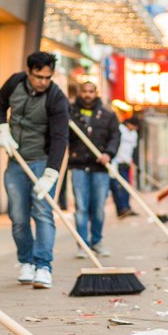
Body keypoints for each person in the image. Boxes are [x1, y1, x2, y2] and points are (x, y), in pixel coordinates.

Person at [0, 52, 69, 288]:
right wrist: (2, 128)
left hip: (42, 161)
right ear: (29, 72)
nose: (43, 82)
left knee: (43, 213)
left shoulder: (56, 98)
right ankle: (26, 262)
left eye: (48, 77)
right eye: (38, 77)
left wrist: (51, 173)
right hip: (16, 161)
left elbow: (60, 138)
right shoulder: (15, 82)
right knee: (18, 217)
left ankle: (44, 266)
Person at [67, 81, 120, 257]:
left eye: (91, 91)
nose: (88, 95)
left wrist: (109, 154)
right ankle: (82, 244)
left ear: (96, 93)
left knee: (98, 207)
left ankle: (96, 241)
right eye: (85, 91)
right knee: (81, 207)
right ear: (80, 93)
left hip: (100, 167)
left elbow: (115, 136)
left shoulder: (107, 115)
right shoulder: (70, 114)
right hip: (79, 165)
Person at [111, 115, 140, 218]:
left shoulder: (134, 134)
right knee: (117, 187)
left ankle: (127, 207)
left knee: (127, 187)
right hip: (116, 163)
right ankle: (121, 209)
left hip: (126, 163)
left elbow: (133, 149)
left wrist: (133, 161)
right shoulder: (120, 129)